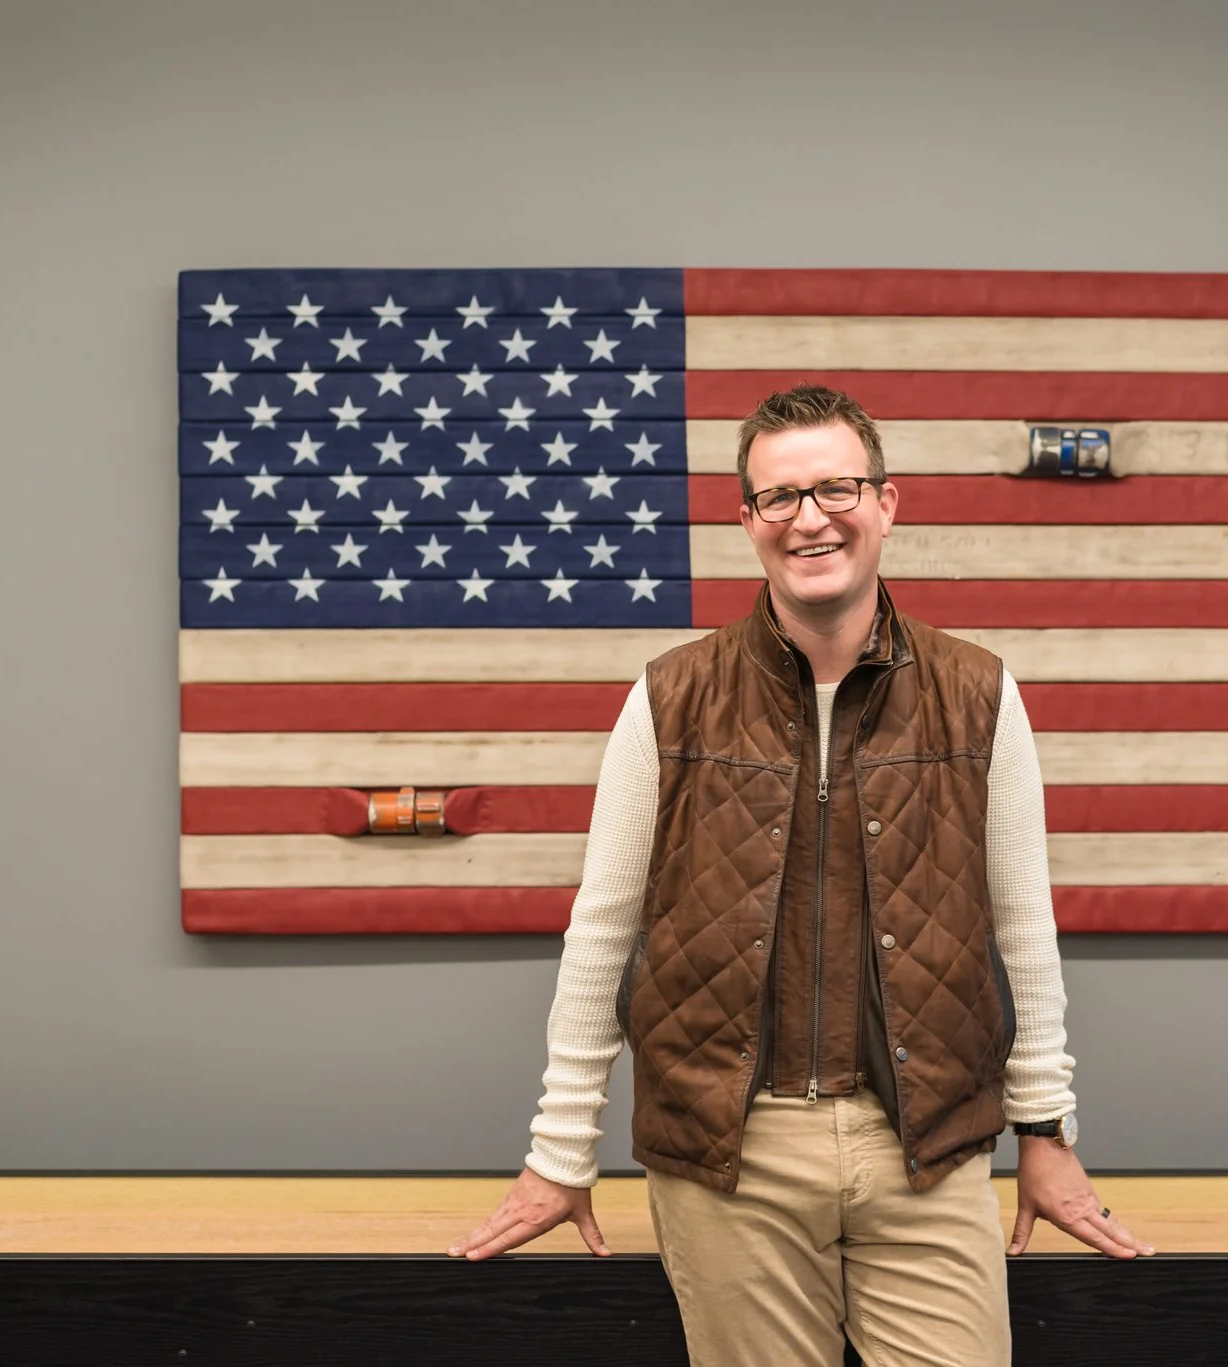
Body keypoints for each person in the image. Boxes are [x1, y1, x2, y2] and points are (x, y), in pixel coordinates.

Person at [450, 384, 1153, 1365]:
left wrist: (1044, 1130)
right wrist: (560, 1150)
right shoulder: (670, 697)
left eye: (835, 488)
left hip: (926, 1150)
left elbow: (1020, 929)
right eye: (778, 496)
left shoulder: (978, 692)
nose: (809, 517)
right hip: (730, 1160)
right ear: (748, 520)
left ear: (885, 503)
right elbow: (604, 932)